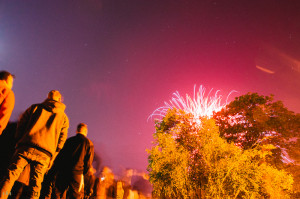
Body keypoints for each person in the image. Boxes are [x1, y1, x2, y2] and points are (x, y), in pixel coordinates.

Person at [0, 90, 69, 199]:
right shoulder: (64, 118)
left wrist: (19, 140)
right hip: (44, 154)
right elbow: (61, 142)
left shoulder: (35, 107)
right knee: (35, 186)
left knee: (10, 177)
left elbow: (21, 124)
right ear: (59, 99)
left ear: (48, 97)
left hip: (26, 146)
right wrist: (53, 157)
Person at [54, 123, 94, 199]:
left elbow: (61, 157)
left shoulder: (68, 141)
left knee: (59, 193)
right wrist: (83, 172)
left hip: (64, 171)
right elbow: (88, 161)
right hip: (77, 173)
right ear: (86, 132)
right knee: (76, 195)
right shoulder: (88, 143)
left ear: (77, 130)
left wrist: (58, 169)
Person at [0, 71, 15, 135]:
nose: (12, 85)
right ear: (7, 80)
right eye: (11, 82)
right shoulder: (7, 92)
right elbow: (4, 116)